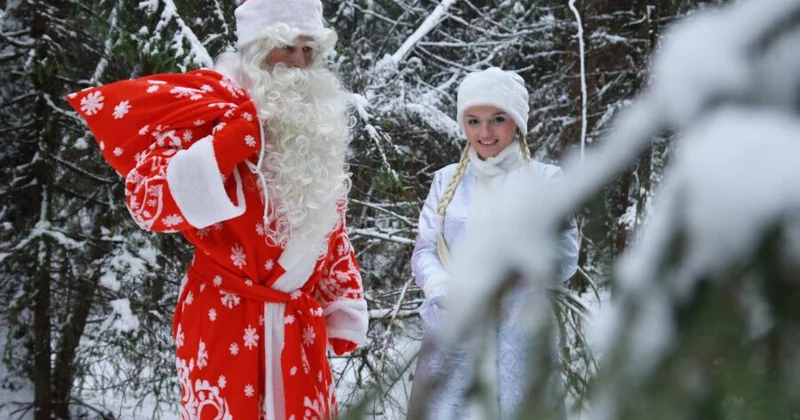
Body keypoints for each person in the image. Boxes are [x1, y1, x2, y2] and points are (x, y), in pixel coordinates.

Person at [67, 0, 368, 418]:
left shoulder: (316, 127)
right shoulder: (210, 109)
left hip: (298, 329)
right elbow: (147, 204)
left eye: (310, 51)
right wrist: (224, 146)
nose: (301, 64)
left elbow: (330, 226)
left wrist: (344, 300)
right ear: (257, 49)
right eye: (288, 48)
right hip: (222, 319)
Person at [408, 67, 580, 419]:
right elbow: (424, 250)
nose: (484, 132)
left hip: (520, 330)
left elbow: (564, 255)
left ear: (516, 121)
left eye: (497, 119)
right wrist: (442, 288)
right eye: (473, 121)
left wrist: (510, 282)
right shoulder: (445, 181)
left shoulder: (546, 180)